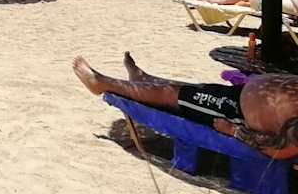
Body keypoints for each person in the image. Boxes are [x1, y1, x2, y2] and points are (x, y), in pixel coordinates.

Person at [73, 52, 298, 160]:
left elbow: (280, 149)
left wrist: (233, 131)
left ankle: (102, 84)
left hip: (235, 112)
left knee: (175, 96)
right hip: (240, 98)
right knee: (188, 91)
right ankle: (143, 80)